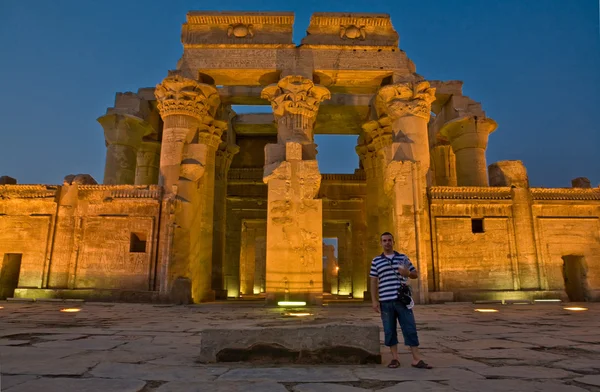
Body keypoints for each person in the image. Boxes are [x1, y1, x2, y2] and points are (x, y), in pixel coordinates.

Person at [370, 232, 432, 369]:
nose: (387, 243)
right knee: (389, 330)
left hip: (402, 301)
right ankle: (395, 358)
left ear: (393, 242)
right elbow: (373, 282)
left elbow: (415, 274)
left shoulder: (403, 258)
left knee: (410, 328)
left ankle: (416, 358)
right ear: (381, 243)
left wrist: (408, 273)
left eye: (389, 240)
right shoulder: (376, 261)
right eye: (384, 240)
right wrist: (374, 301)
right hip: (385, 301)